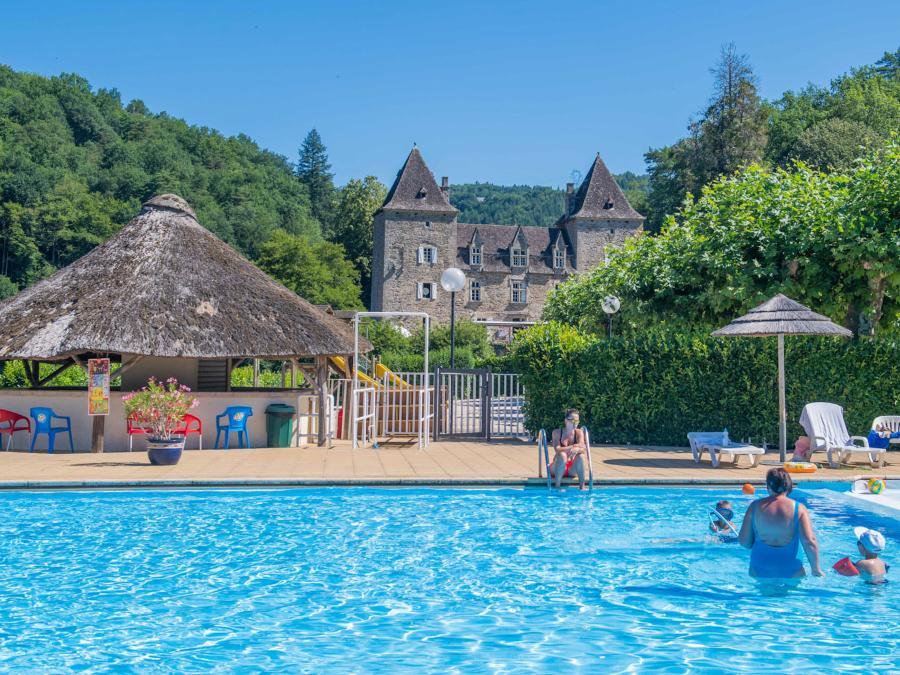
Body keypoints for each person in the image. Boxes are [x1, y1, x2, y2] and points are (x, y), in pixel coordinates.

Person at [738, 468, 824, 579]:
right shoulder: (799, 508)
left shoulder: (754, 507)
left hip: (759, 569)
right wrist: (816, 569)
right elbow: (809, 541)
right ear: (788, 485)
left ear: (768, 486)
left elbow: (745, 543)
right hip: (792, 571)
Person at [549, 409, 587, 490]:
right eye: (572, 420)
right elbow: (558, 449)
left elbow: (583, 447)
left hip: (571, 469)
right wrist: (574, 446)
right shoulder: (557, 432)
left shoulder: (579, 432)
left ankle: (582, 487)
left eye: (577, 421)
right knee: (562, 455)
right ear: (566, 421)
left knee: (581, 455)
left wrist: (578, 449)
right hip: (557, 467)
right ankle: (557, 487)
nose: (574, 423)